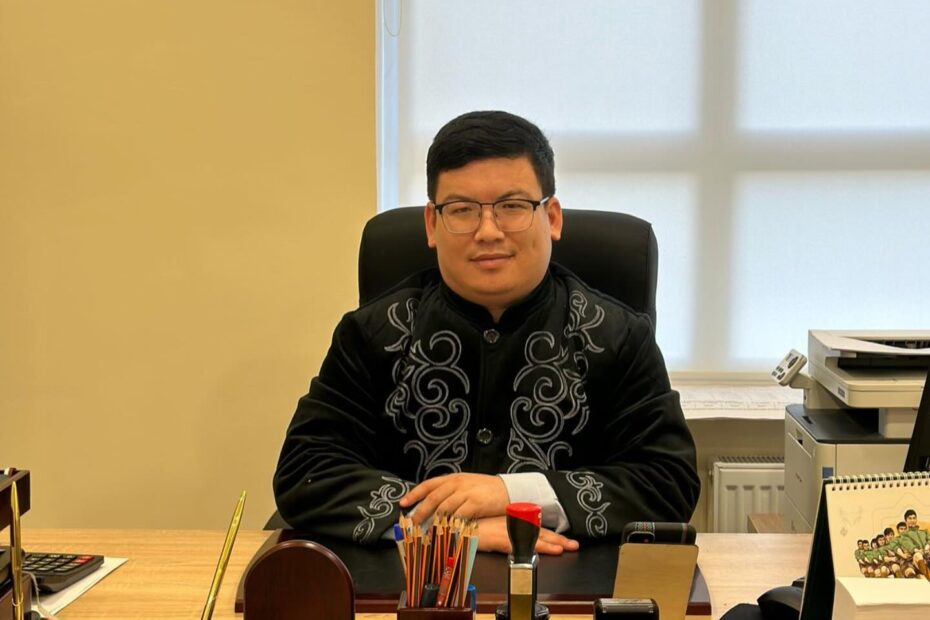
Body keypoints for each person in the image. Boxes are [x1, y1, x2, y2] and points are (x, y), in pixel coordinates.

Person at [273, 110, 700, 555]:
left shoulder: (617, 335)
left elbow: (667, 483)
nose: (488, 231)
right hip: (409, 581)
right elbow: (307, 472)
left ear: (552, 218)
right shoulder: (372, 334)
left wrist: (511, 494)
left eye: (513, 207)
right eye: (462, 210)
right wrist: (448, 527)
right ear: (432, 225)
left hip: (568, 582)